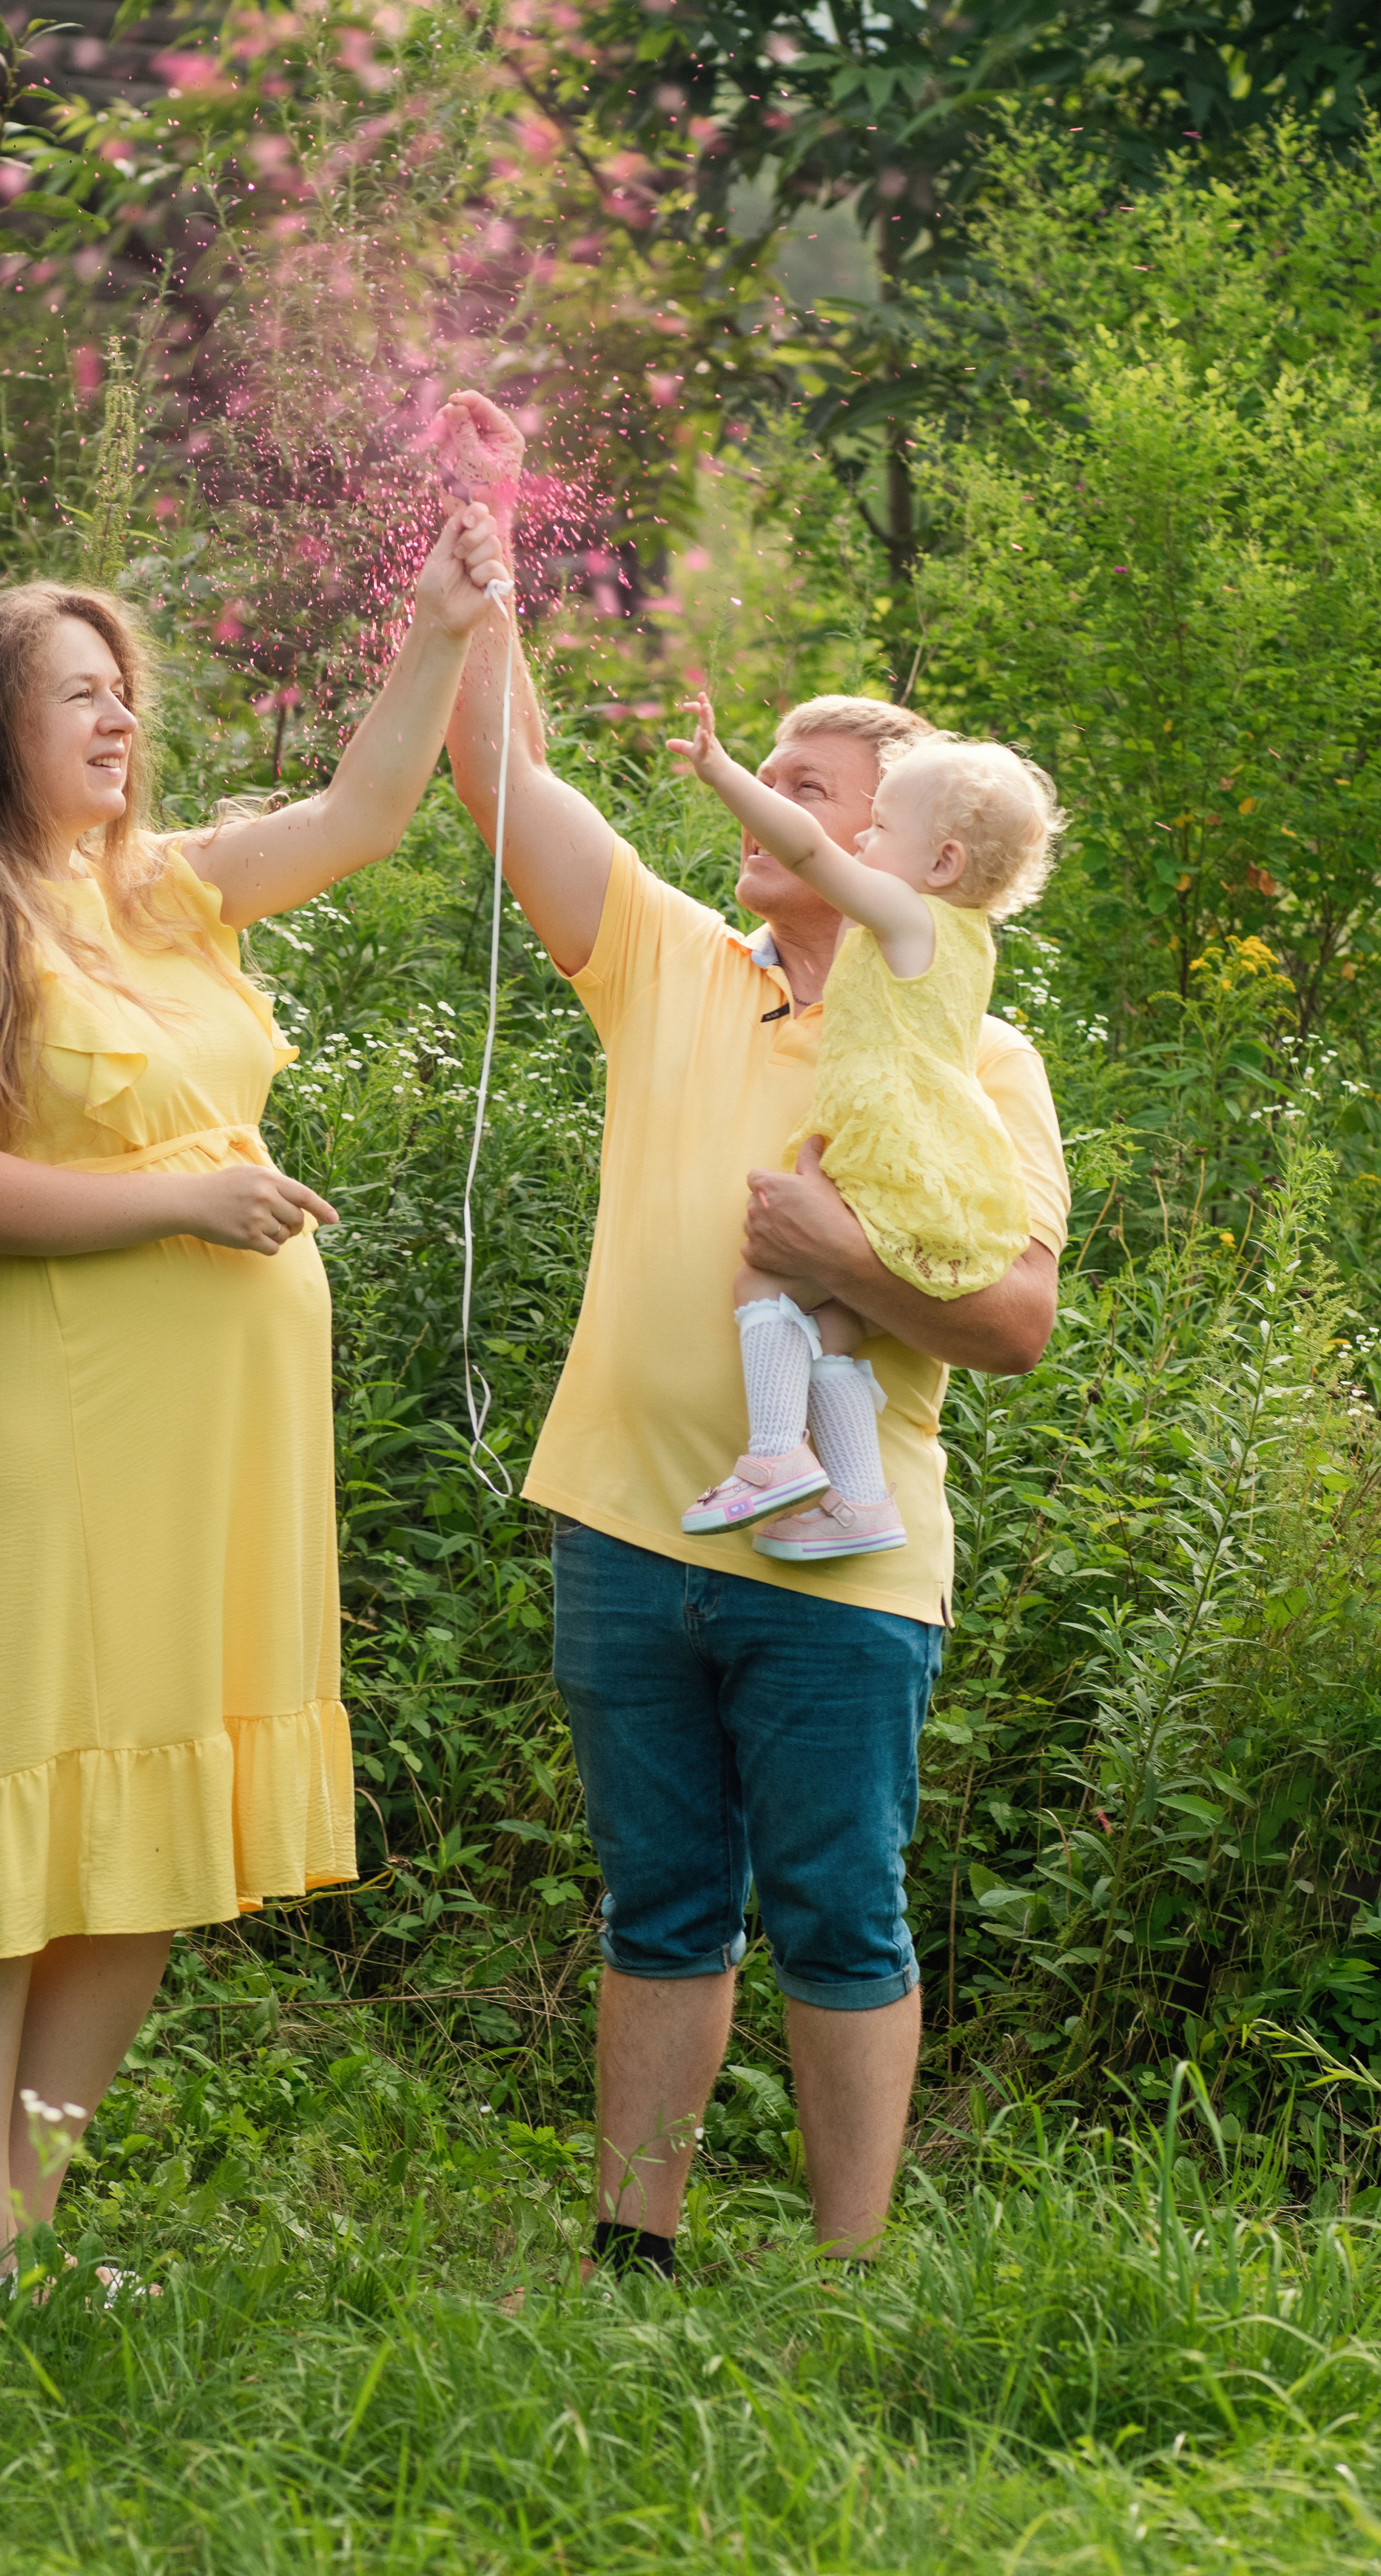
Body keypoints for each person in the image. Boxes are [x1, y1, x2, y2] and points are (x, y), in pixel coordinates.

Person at [0, 502, 510, 2282]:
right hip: (52, 1420)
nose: (121, 720)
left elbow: (363, 811)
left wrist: (436, 624)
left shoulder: (161, 887)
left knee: (147, 1839)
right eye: (78, 694)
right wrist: (186, 1196)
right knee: (5, 1825)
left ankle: (30, 2234)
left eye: (126, 691)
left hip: (214, 1438)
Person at [434, 392, 1068, 2273]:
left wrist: (834, 1259)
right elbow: (501, 775)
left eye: (816, 778)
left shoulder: (977, 1048)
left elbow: (1018, 1318)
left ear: (908, 850)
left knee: (836, 1904)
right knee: (656, 1898)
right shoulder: (666, 968)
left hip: (844, 1559)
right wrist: (486, 555)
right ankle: (634, 2238)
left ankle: (851, 2265)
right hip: (628, 1523)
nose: (773, 797)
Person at [671, 700, 1064, 1563]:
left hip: (882, 1135)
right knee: (839, 1326)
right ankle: (857, 1498)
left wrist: (722, 772)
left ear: (941, 861)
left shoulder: (906, 915)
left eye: (879, 825)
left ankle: (773, 1454)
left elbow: (809, 851)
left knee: (764, 1282)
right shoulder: (966, 938)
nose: (856, 844)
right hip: (933, 1149)